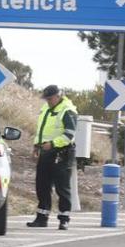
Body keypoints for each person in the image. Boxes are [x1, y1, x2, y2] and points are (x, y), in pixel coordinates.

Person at [27, 83, 78, 228]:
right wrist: (37, 146)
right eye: (46, 99)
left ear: (58, 96)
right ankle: (42, 217)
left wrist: (53, 144)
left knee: (62, 187)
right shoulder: (46, 109)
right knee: (42, 185)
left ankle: (64, 218)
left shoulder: (67, 110)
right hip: (45, 151)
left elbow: (69, 135)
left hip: (62, 152)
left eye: (50, 99)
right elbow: (42, 130)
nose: (48, 101)